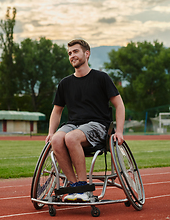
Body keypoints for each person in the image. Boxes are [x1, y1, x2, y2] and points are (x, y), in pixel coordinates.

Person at [45, 39, 125, 202]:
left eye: (75, 51)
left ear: (86, 54)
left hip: (98, 125)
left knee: (71, 137)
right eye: (69, 53)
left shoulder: (101, 78)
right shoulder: (65, 83)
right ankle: (74, 186)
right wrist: (51, 132)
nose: (72, 55)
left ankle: (83, 186)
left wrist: (120, 131)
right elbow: (57, 111)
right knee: (57, 139)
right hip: (74, 124)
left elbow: (119, 105)